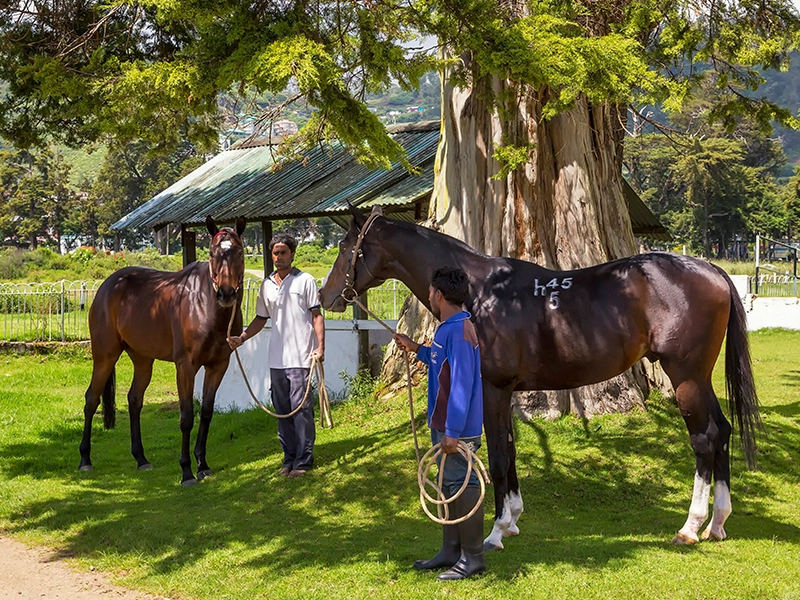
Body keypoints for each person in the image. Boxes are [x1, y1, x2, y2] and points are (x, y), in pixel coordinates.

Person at [393, 266, 485, 581]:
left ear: (439, 295)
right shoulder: (451, 327)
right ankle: (451, 550)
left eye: (431, 292)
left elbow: (461, 383)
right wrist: (416, 348)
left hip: (456, 428)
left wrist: (452, 432)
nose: (429, 296)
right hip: (445, 423)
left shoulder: (458, 331)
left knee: (464, 484)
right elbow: (439, 361)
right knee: (448, 484)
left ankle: (473, 558)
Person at [228, 233, 324, 478]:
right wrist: (243, 337)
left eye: (283, 253)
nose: (278, 257)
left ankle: (304, 461)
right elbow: (261, 318)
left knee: (301, 410)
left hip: (302, 357)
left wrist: (320, 347)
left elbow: (317, 316)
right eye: (275, 253)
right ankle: (289, 458)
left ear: (292, 254)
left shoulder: (306, 281)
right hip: (277, 360)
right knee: (282, 411)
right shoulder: (267, 285)